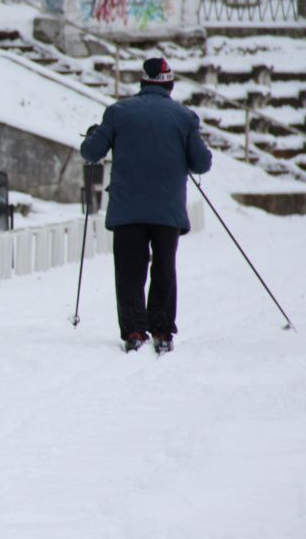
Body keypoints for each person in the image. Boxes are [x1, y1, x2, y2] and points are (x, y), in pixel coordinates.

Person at [80, 57, 212, 354]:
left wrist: (92, 134)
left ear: (142, 82)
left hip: (128, 209)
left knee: (130, 270)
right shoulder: (184, 117)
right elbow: (202, 163)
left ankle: (134, 331)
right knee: (164, 268)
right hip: (167, 211)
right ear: (169, 84)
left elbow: (91, 152)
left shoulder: (118, 112)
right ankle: (163, 330)